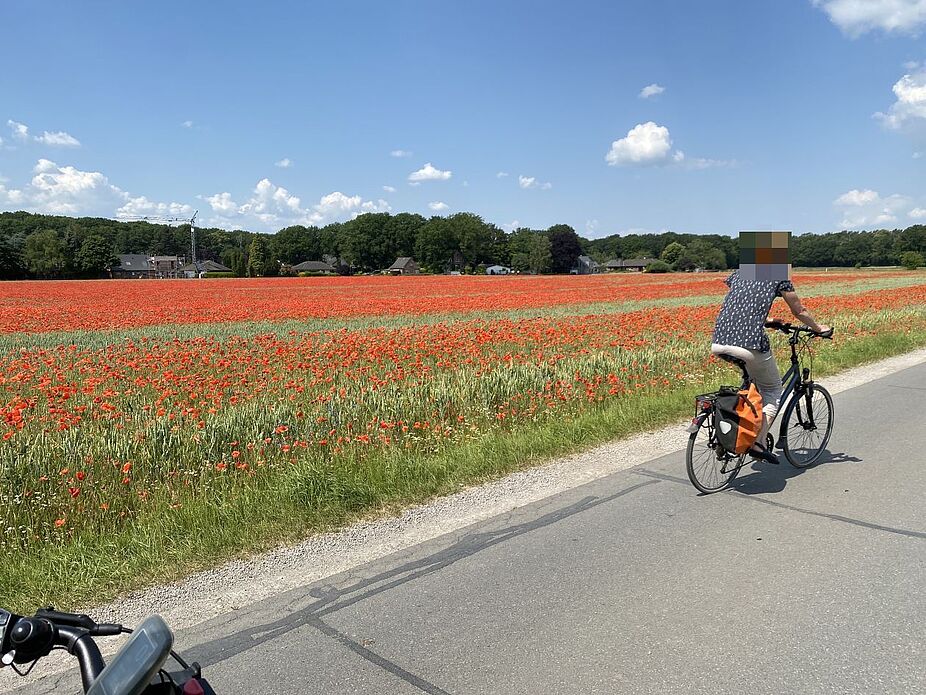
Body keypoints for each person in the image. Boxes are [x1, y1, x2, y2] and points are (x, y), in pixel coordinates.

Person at [711, 269, 831, 465]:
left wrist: (767, 320)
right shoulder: (779, 275)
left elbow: (741, 301)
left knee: (751, 386)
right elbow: (798, 310)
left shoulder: (740, 273)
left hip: (719, 341)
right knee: (773, 390)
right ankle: (758, 443)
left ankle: (732, 432)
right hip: (748, 343)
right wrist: (818, 328)